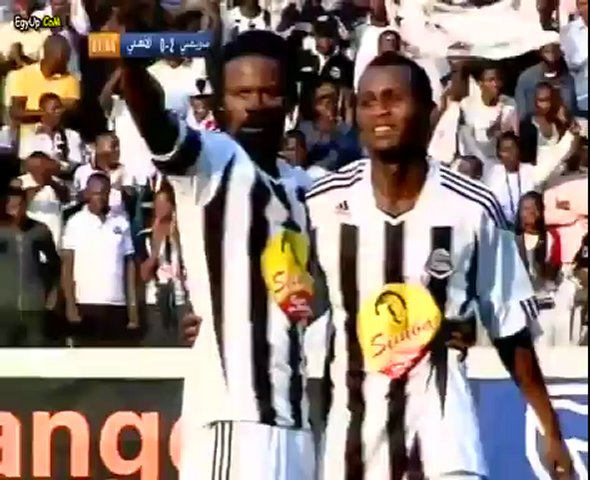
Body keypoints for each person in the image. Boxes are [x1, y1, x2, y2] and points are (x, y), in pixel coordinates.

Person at [306, 52, 572, 480]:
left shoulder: (473, 206)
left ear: (430, 111)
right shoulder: (321, 203)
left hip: (447, 441)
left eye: (393, 98)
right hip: (351, 446)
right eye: (368, 101)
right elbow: (290, 306)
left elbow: (511, 331)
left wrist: (551, 428)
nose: (381, 111)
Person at [118, 30, 315, 480]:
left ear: (289, 101)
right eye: (243, 93)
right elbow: (154, 122)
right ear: (221, 103)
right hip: (232, 416)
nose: (256, 104)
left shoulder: (305, 186)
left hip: (296, 421)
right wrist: (132, 60)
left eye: (269, 92)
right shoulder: (211, 160)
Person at [61, 172, 139, 347]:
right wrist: (70, 305)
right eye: (96, 193)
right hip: (85, 304)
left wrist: (132, 310)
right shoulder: (75, 223)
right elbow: (67, 267)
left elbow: (130, 267)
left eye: (105, 193)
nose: (101, 198)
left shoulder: (121, 223)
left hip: (116, 304)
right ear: (87, 194)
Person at [0, 186, 60, 347]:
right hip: (3, 308)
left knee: (34, 352)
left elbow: (55, 263)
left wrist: (52, 293)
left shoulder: (40, 230)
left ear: (26, 205)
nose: (15, 211)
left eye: (19, 205)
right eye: (11, 206)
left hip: (33, 306)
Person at [4, 34, 80, 157]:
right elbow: (16, 112)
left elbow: (71, 111)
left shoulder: (71, 80)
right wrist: (46, 113)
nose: (65, 64)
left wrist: (34, 113)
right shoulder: (22, 76)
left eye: (66, 59)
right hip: (28, 141)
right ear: (47, 55)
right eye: (60, 60)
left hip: (59, 140)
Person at [136, 184, 188, 347]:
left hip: (181, 299)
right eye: (157, 203)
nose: (159, 207)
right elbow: (143, 275)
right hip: (155, 298)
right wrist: (155, 250)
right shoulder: (145, 236)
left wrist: (176, 238)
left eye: (164, 203)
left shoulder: (186, 234)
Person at [515, 38, 578, 119]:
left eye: (556, 50)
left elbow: (574, 110)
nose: (552, 57)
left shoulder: (571, 77)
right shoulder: (527, 78)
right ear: (540, 52)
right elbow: (521, 114)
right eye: (547, 52)